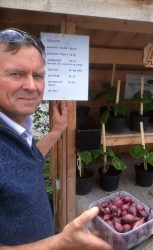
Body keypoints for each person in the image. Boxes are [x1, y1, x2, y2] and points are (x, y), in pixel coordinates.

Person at [0, 28, 112, 250]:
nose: (32, 86)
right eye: (16, 74)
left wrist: (56, 132)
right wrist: (60, 243)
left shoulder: (14, 129)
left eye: (38, 75)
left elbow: (25, 162)